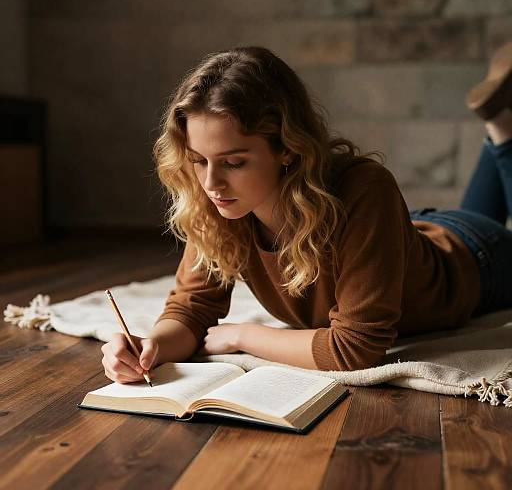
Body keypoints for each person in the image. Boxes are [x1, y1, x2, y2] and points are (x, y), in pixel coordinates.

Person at [101, 44, 512, 384]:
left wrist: (244, 335)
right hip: (407, 237)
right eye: (197, 160)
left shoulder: (365, 188)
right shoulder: (220, 201)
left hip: (476, 257)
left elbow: (355, 349)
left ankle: (502, 136)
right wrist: (149, 345)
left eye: (234, 162)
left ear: (287, 148)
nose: (211, 183)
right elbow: (192, 309)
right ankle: (499, 128)